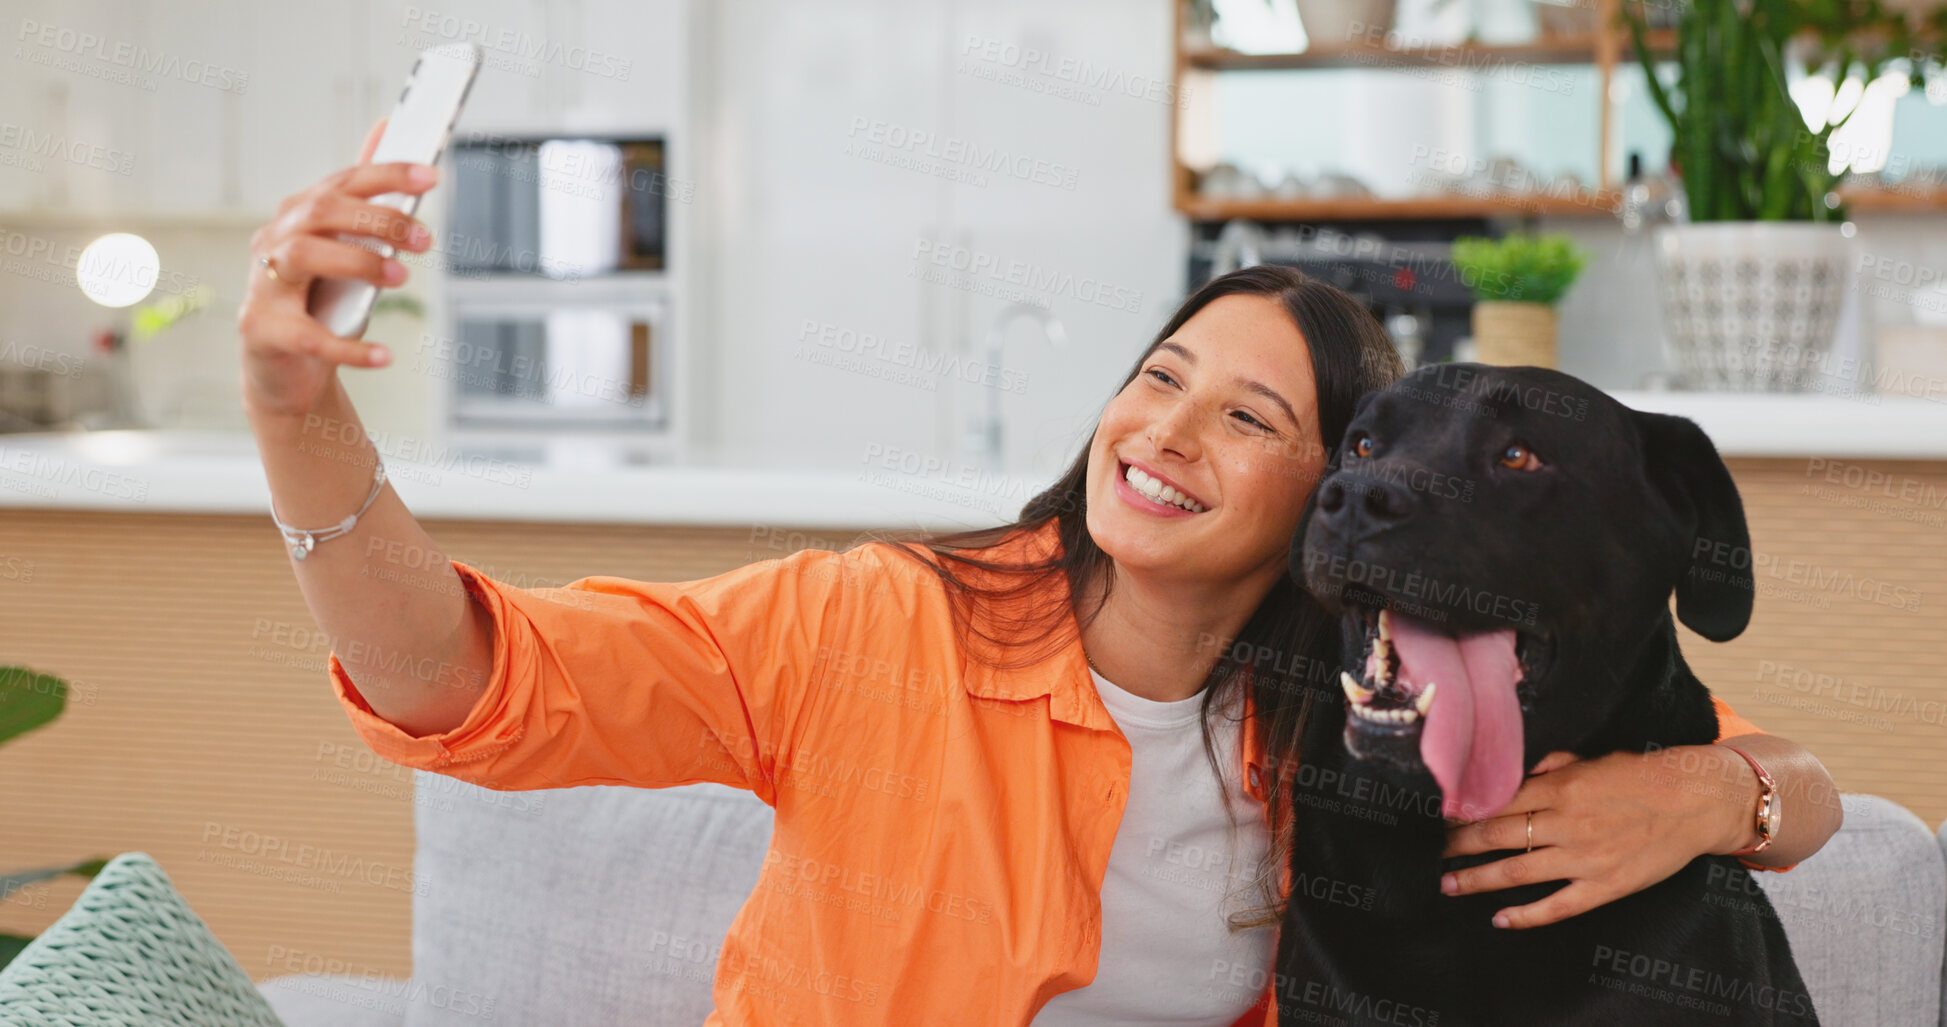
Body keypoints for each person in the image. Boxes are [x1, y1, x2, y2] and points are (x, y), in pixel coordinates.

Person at [237, 125, 1843, 1027]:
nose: (1165, 432)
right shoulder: (872, 624)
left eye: (1250, 415)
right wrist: (297, 414)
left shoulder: (1364, 706)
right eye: (1158, 376)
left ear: (1334, 497)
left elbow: (1764, 768)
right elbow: (459, 680)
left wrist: (1730, 799)